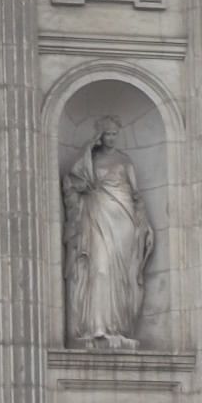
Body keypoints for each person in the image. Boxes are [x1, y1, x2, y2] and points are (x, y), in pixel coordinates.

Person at [62, 121, 154, 348]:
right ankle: (97, 326)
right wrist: (86, 153)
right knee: (100, 269)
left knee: (122, 274)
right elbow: (74, 182)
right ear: (100, 136)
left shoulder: (125, 161)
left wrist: (144, 224)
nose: (111, 138)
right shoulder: (90, 160)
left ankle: (119, 327)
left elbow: (135, 195)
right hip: (97, 216)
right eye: (107, 134)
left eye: (114, 134)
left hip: (123, 217)